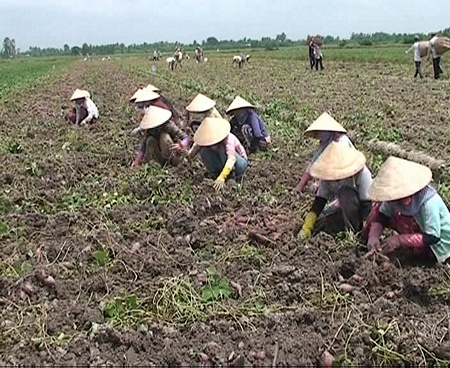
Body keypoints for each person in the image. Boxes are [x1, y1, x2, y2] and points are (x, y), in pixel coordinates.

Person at [364, 156, 450, 264]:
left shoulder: (428, 203)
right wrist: (374, 236)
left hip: (437, 245)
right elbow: (382, 215)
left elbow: (432, 237)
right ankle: (367, 242)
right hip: (419, 232)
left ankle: (419, 255)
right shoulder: (394, 198)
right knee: (377, 207)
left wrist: (399, 240)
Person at [299, 142, 373, 239]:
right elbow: (320, 201)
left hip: (366, 208)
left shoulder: (362, 174)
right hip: (345, 206)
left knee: (346, 194)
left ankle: (354, 232)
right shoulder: (328, 176)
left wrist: (365, 229)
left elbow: (367, 204)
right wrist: (307, 225)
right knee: (324, 219)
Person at [293, 112, 354, 194]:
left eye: (322, 131)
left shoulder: (342, 142)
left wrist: (320, 182)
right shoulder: (324, 143)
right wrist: (300, 185)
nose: (320, 134)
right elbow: (313, 165)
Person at [187, 117, 249, 191]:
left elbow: (231, 159)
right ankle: (214, 175)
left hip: (238, 165)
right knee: (204, 150)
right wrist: (185, 157)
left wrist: (223, 176)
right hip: (221, 164)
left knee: (222, 149)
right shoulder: (205, 140)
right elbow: (193, 151)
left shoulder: (228, 139)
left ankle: (231, 178)